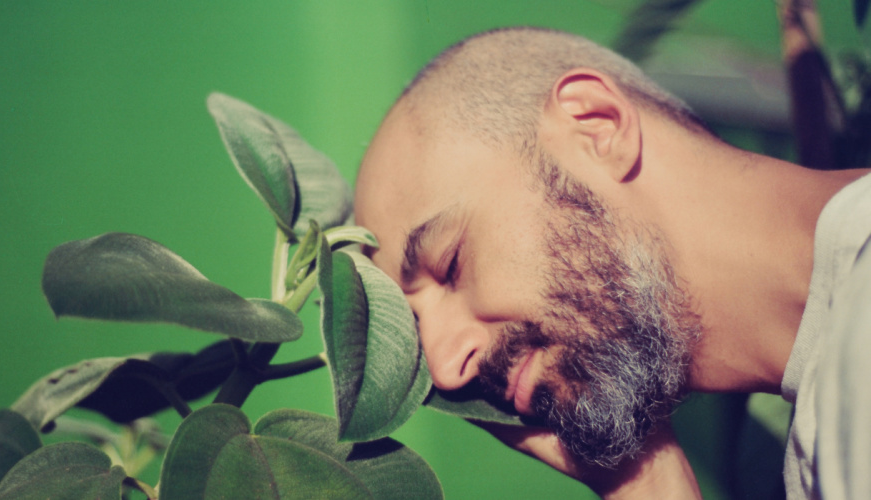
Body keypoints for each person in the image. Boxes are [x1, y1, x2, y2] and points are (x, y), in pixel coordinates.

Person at [352, 27, 871, 499]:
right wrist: (647, 484)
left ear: (596, 124)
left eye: (450, 264)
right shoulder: (822, 425)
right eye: (418, 327)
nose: (445, 368)